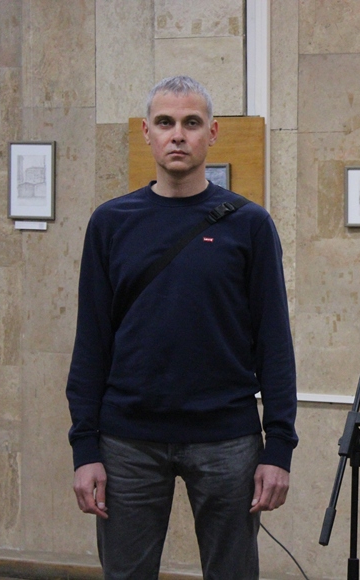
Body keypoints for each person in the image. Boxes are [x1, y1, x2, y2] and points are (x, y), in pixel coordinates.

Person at [66, 76, 298, 579]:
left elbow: (274, 344)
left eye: (191, 123)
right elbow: (91, 345)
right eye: (165, 123)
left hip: (227, 437)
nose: (177, 135)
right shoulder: (110, 223)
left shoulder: (250, 225)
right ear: (146, 132)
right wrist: (85, 448)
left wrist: (279, 446)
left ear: (211, 133)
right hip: (126, 439)